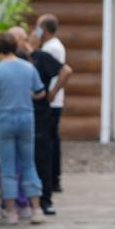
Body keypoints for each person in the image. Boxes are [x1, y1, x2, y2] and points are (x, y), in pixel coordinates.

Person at [0, 30, 47, 224]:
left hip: (3, 119)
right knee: (28, 164)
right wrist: (26, 96)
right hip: (26, 118)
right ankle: (36, 210)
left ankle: (11, 213)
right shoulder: (28, 68)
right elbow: (40, 93)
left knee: (8, 167)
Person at [9, 25, 72, 215]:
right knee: (24, 160)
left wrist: (52, 93)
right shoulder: (16, 60)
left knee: (40, 158)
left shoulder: (40, 57)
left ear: (22, 41)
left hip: (38, 114)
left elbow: (66, 70)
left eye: (13, 40)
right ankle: (27, 203)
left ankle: (43, 201)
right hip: (24, 114)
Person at [35, 14, 65, 193]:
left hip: (51, 102)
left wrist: (51, 93)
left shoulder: (51, 48)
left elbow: (59, 72)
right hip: (53, 100)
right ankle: (54, 178)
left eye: (38, 28)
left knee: (50, 141)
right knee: (52, 139)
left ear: (43, 30)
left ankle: (53, 179)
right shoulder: (51, 46)